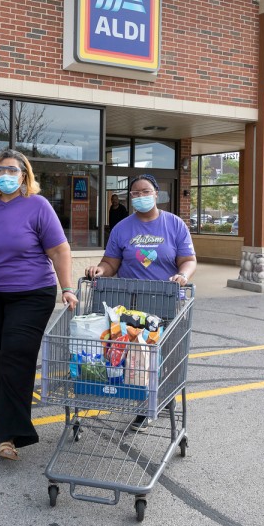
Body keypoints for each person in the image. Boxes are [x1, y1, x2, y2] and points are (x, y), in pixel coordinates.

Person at [0, 149, 78, 461]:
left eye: (13, 170)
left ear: (24, 175)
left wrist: (66, 288)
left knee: (16, 354)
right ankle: (0, 415)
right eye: (1, 170)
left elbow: (59, 250)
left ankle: (10, 436)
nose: (7, 175)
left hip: (32, 293)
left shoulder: (38, 206)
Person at [84, 174, 197, 431]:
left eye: (145, 191)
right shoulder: (122, 228)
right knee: (135, 361)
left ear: (156, 194)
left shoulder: (175, 225)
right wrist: (101, 270)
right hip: (130, 307)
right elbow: (111, 263)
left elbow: (188, 260)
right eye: (135, 194)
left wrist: (183, 275)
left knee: (160, 358)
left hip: (163, 302)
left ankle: (157, 400)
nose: (140, 196)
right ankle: (141, 405)